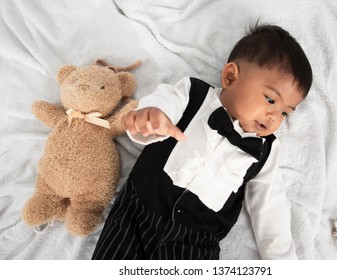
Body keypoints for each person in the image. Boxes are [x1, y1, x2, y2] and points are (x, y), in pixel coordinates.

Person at [92, 23, 312, 260]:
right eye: (270, 100)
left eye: (285, 113)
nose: (274, 117)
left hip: (194, 242)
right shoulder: (193, 94)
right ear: (230, 77)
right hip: (137, 212)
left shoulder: (265, 151)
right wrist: (152, 115)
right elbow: (164, 102)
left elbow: (271, 208)